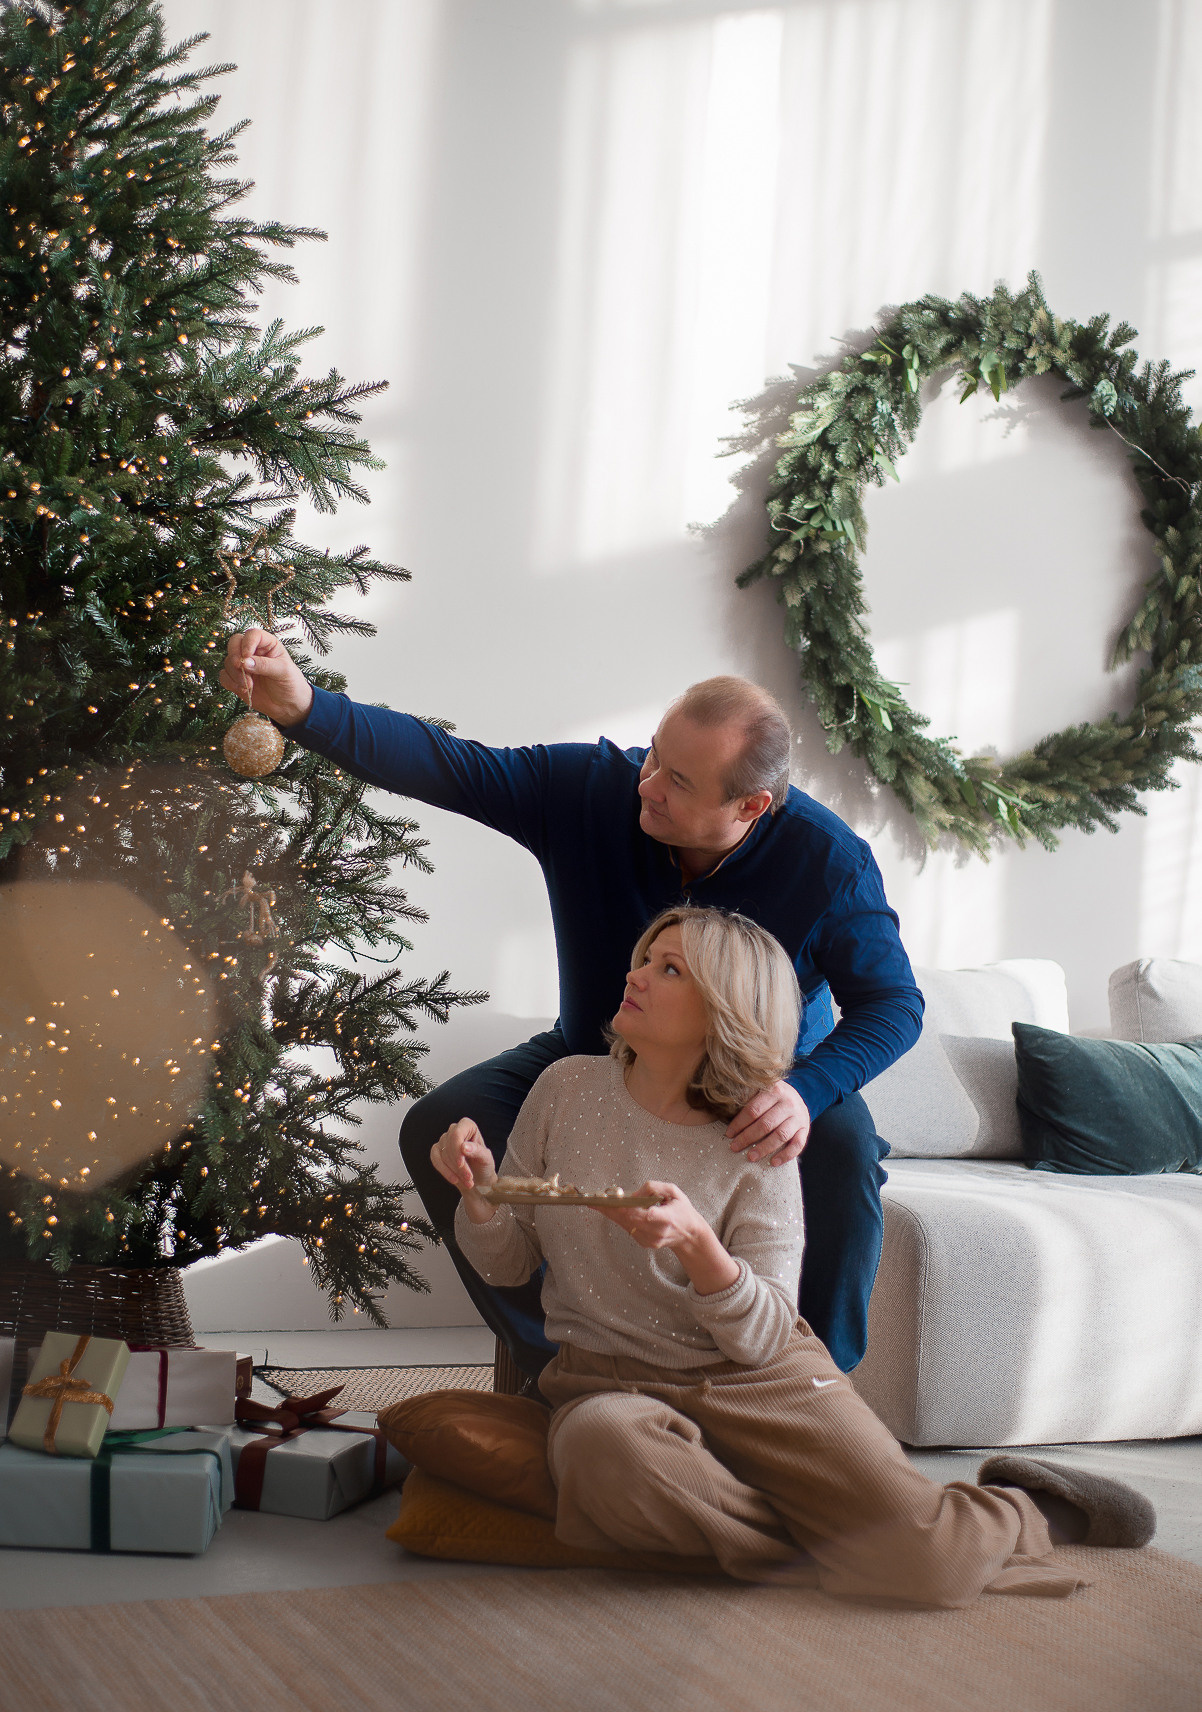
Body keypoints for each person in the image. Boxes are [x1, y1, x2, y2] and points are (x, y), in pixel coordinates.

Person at [219, 633, 925, 1377]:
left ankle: (816, 1387)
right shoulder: (592, 789)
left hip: (756, 1082)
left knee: (842, 1145)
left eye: (679, 781)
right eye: (654, 756)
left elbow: (893, 1004)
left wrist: (807, 1090)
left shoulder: (829, 862)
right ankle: (559, 1367)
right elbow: (452, 766)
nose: (648, 785)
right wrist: (304, 707)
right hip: (596, 1054)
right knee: (439, 1123)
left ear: (750, 806)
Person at [429, 905, 1154, 1604]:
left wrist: (699, 1248)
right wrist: (481, 1198)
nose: (636, 974)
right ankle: (859, 1549)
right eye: (645, 958)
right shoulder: (564, 1090)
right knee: (601, 1450)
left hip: (757, 1381)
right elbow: (508, 1265)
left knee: (933, 1569)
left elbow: (764, 1335)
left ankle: (1026, 1510)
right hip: (606, 1387)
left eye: (669, 969)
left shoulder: (760, 1134)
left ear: (725, 1009)